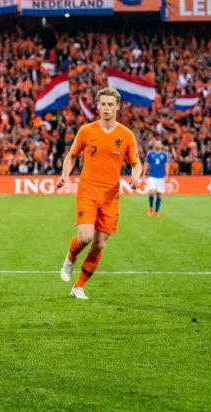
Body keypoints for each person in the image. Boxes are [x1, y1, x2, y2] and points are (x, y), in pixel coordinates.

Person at [57, 87, 141, 300]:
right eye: (103, 104)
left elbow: (136, 163)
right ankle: (70, 258)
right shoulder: (86, 131)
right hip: (87, 190)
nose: (106, 108)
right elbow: (71, 155)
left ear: (117, 107)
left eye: (110, 105)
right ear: (98, 106)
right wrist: (65, 174)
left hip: (111, 196)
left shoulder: (126, 135)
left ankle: (78, 287)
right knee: (85, 237)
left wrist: (136, 177)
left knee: (99, 244)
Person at [144, 140, 168, 217]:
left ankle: (156, 211)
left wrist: (167, 174)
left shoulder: (164, 154)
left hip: (161, 177)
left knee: (159, 194)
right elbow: (146, 164)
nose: (158, 145)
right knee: (151, 192)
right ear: (154, 145)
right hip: (152, 176)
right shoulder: (150, 154)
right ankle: (151, 208)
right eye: (156, 143)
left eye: (159, 143)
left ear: (161, 146)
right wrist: (144, 174)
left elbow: (166, 164)